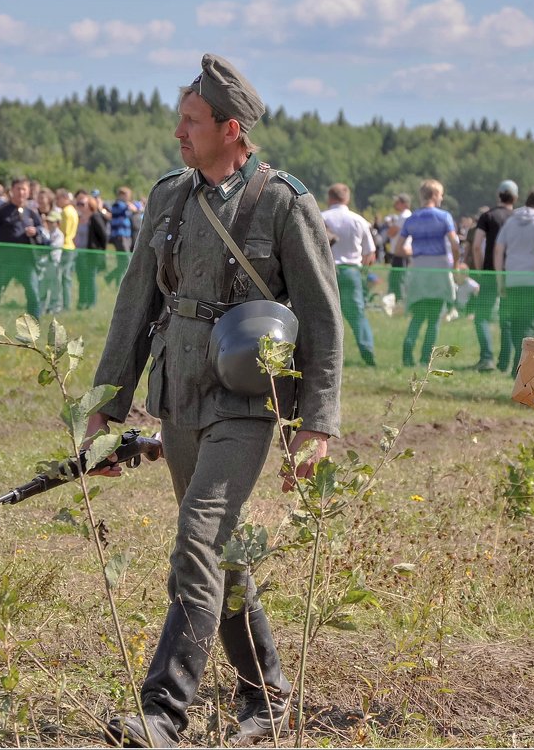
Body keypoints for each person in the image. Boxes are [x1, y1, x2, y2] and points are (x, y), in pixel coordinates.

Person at [87, 53, 342, 748]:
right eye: (180, 119)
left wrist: (316, 423)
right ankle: (267, 691)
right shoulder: (169, 195)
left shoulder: (284, 202)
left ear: (232, 128)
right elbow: (135, 302)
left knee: (197, 538)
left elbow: (322, 321)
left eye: (192, 121)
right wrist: (106, 406)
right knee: (222, 552)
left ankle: (164, 709)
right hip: (178, 393)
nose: (179, 132)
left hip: (247, 400)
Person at [493, 185, 534, 375]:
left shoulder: (510, 221)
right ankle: (524, 369)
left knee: (517, 324)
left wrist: (500, 280)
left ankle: (516, 366)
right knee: (532, 325)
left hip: (513, 280)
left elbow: (498, 250)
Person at [397, 179, 460, 367]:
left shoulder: (412, 218)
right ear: (435, 195)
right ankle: (426, 358)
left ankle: (407, 354)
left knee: (417, 315)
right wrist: (455, 264)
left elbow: (399, 248)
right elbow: (455, 244)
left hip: (418, 269)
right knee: (434, 318)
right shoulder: (444, 217)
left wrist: (415, 253)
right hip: (439, 269)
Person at [321, 182, 377, 366]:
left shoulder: (321, 217)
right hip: (352, 271)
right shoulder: (359, 220)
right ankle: (367, 351)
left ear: (330, 198)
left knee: (326, 315)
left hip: (327, 271)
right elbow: (370, 252)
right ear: (347, 198)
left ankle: (327, 355)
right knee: (357, 315)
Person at [469, 180, 518, 371]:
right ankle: (504, 362)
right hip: (511, 273)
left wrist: (481, 269)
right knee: (506, 320)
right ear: (515, 198)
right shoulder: (516, 218)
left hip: (490, 271)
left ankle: (486, 357)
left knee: (481, 316)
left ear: (498, 195)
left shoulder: (488, 216)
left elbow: (476, 245)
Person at [0, 178, 45, 319]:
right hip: (5, 261)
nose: (21, 192)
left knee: (33, 292)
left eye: (24, 189)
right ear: (12, 191)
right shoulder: (2, 211)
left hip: (26, 262)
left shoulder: (32, 212)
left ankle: (34, 324)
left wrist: (36, 232)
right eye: (18, 189)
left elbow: (43, 233)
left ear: (28, 192)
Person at [73, 190, 108, 311]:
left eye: (82, 204)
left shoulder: (95, 217)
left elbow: (103, 236)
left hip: (92, 254)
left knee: (90, 278)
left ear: (90, 205)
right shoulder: (78, 218)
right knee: (81, 278)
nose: (80, 206)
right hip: (80, 253)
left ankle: (91, 303)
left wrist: (100, 251)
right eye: (78, 204)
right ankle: (81, 302)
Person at [384, 194, 413, 302]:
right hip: (401, 251)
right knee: (397, 278)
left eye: (398, 202)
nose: (395, 205)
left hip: (401, 251)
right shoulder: (403, 216)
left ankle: (400, 301)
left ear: (404, 204)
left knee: (399, 279)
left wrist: (390, 226)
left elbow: (391, 232)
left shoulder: (404, 216)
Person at [55, 188, 79, 311]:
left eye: (58, 198)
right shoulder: (73, 211)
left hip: (64, 246)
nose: (56, 201)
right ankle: (67, 304)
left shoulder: (65, 212)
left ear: (65, 198)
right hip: (71, 245)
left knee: (60, 277)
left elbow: (63, 231)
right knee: (67, 278)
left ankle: (60, 304)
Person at [38, 211, 65, 314]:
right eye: (48, 221)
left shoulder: (59, 235)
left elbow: (53, 246)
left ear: (57, 223)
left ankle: (55, 307)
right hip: (45, 263)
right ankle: (42, 306)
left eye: (52, 222)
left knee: (55, 285)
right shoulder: (46, 232)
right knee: (44, 285)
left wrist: (45, 244)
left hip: (55, 263)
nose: (49, 223)